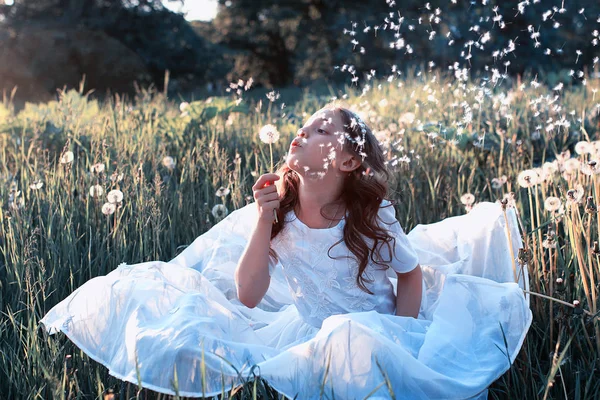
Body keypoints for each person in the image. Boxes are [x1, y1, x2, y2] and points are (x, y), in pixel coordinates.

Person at [41, 104, 532, 400]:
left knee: (365, 350)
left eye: (322, 130)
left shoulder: (371, 216)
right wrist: (263, 219)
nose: (305, 131)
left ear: (347, 159)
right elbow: (248, 296)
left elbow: (410, 275)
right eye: (306, 125)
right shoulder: (282, 218)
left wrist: (403, 335)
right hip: (309, 328)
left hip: (381, 323)